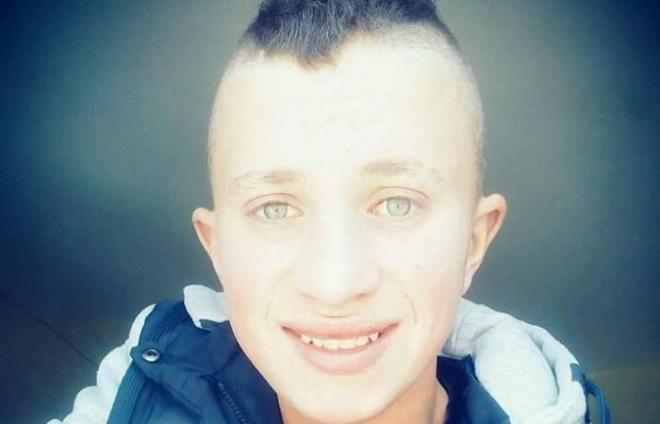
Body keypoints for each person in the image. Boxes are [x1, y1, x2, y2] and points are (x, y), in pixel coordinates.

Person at [49, 1, 610, 423]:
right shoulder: (129, 398)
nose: (334, 285)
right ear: (216, 250)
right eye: (274, 208)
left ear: (474, 242)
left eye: (396, 203)